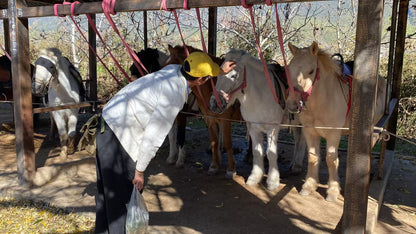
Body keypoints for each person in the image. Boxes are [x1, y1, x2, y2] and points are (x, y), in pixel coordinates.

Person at [95, 51, 236, 233]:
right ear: (201, 80)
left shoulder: (174, 69)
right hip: (119, 135)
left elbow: (197, 71)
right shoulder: (174, 96)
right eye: (207, 78)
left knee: (106, 195)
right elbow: (153, 136)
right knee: (122, 201)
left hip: (107, 123)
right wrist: (139, 171)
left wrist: (220, 71)